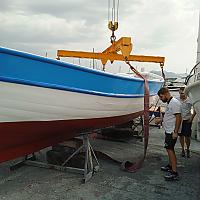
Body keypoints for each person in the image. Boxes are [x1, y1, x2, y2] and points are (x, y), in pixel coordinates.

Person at [157, 87, 182, 181]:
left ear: (166, 93)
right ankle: (170, 165)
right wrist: (161, 120)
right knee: (168, 149)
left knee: (170, 150)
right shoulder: (170, 102)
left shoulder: (174, 103)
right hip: (169, 131)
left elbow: (179, 117)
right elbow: (169, 116)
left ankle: (174, 172)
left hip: (172, 132)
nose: (160, 99)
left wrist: (175, 132)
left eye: (161, 97)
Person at [178, 87, 196, 158]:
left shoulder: (190, 100)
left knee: (187, 136)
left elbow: (195, 109)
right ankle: (183, 149)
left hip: (187, 120)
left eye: (183, 93)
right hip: (179, 120)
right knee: (181, 135)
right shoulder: (176, 100)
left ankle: (188, 149)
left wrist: (191, 118)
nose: (181, 95)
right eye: (180, 93)